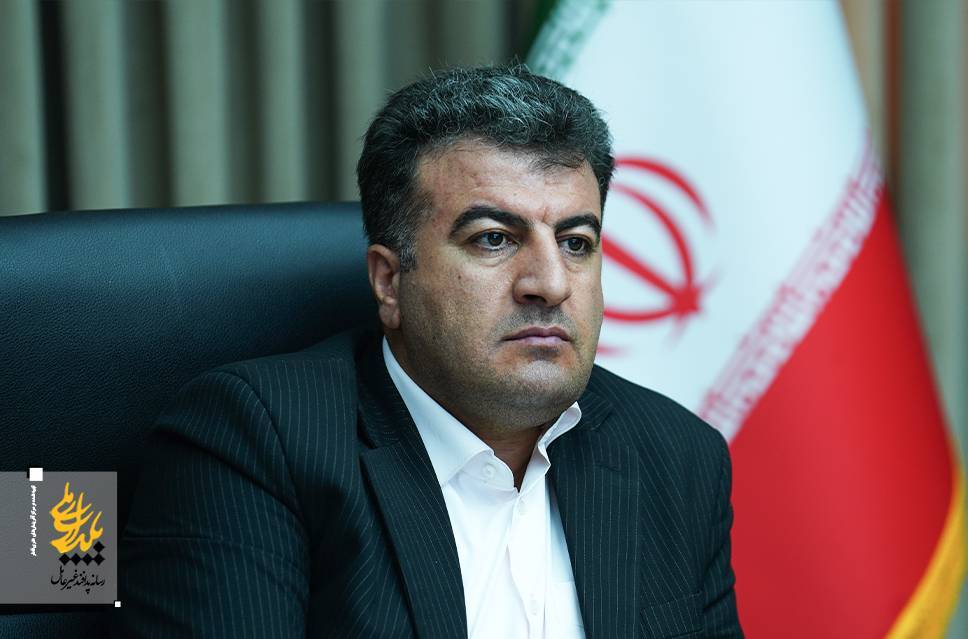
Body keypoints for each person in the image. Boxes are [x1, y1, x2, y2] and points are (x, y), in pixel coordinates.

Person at [120, 64, 741, 638]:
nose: (551, 284)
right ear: (390, 281)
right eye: (494, 239)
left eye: (576, 242)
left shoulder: (677, 455)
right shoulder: (256, 441)